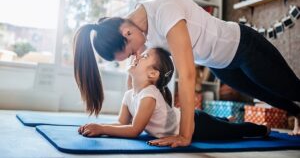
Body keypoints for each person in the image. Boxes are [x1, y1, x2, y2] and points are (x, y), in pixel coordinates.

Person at [73, 0, 300, 147]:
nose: (135, 56)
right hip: (220, 64)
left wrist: (185, 134)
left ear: (127, 33)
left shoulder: (165, 12)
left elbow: (188, 74)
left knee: (290, 88)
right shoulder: (138, 29)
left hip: (245, 47)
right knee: (268, 95)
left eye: (131, 52)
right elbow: (140, 79)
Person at [78, 48, 270, 143]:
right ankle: (224, 118)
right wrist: (98, 127)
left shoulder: (149, 95)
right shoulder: (130, 95)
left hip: (197, 125)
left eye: (144, 56)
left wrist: (101, 127)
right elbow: (122, 123)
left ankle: (261, 130)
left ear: (153, 74)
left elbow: (135, 130)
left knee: (234, 132)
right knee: (222, 123)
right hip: (188, 117)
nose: (137, 56)